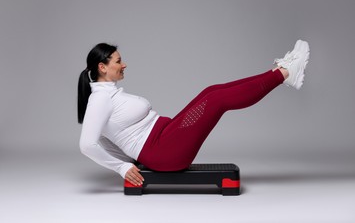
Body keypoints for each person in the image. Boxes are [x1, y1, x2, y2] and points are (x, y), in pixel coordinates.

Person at [78, 40, 310, 186]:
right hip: (164, 151)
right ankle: (285, 74)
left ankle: (279, 72)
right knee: (216, 100)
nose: (124, 64)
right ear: (102, 67)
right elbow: (88, 143)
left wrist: (129, 160)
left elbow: (101, 137)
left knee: (211, 92)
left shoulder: (106, 94)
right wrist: (122, 167)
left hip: (165, 137)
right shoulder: (100, 99)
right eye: (119, 61)